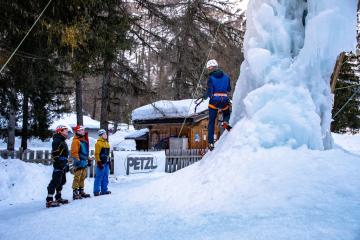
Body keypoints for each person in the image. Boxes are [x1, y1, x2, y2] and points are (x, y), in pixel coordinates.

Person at [203, 59, 232, 151]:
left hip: (214, 102)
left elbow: (209, 91)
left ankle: (211, 143)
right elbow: (229, 89)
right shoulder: (226, 77)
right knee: (226, 113)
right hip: (224, 100)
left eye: (208, 68)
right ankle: (225, 122)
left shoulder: (211, 78)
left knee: (211, 122)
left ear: (211, 68)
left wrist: (204, 96)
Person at [46, 125, 70, 208]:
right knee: (55, 181)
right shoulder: (57, 140)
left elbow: (64, 154)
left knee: (62, 181)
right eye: (65, 130)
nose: (67, 132)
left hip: (63, 163)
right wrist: (59, 163)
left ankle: (58, 197)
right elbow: (55, 154)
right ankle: (49, 200)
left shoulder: (62, 140)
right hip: (58, 164)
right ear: (60, 131)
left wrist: (66, 164)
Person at [71, 125, 91, 200]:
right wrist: (77, 162)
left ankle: (81, 191)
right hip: (79, 162)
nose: (83, 131)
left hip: (84, 161)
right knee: (77, 177)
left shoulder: (83, 140)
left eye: (83, 130)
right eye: (81, 130)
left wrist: (88, 159)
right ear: (77, 131)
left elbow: (85, 152)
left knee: (83, 176)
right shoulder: (76, 141)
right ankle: (75, 192)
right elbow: (74, 152)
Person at [93, 129, 111, 196]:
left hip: (106, 163)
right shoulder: (98, 143)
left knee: (105, 176)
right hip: (101, 162)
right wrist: (99, 162)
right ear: (101, 135)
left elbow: (108, 154)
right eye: (104, 134)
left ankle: (104, 190)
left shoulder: (107, 143)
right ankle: (96, 191)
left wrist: (109, 162)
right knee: (99, 176)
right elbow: (96, 154)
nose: (106, 135)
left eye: (106, 134)